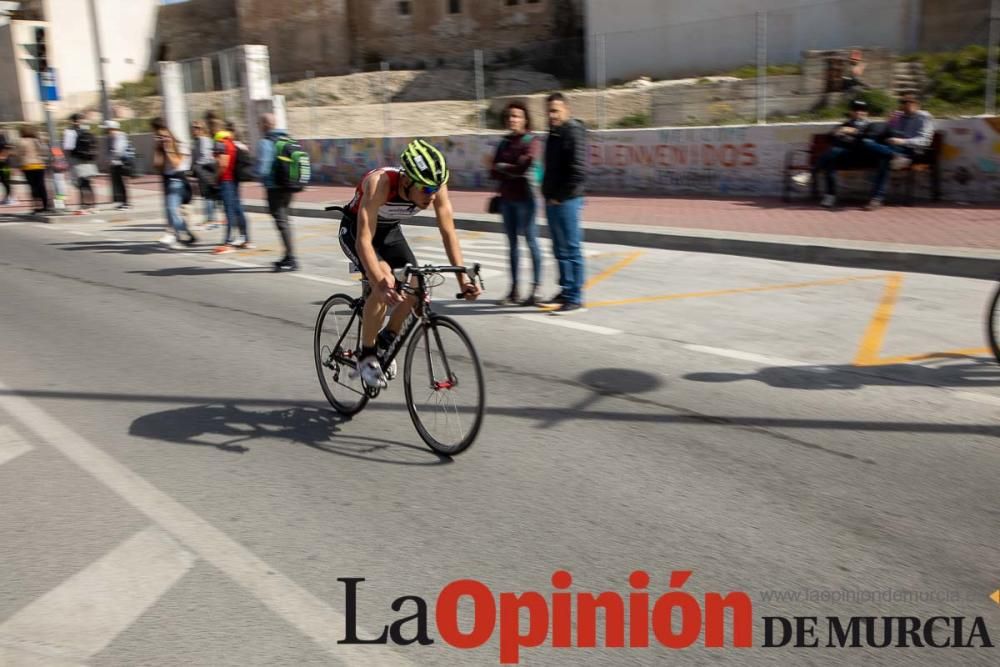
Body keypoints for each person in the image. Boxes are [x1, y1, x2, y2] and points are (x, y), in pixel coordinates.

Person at [338, 139, 481, 388]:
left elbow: (448, 232)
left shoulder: (434, 187)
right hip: (356, 232)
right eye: (426, 190)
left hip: (390, 232)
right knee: (386, 280)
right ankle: (368, 356)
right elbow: (363, 242)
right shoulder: (380, 184)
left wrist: (463, 279)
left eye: (435, 188)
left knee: (418, 284)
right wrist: (380, 282)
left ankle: (385, 340)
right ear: (406, 181)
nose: (432, 195)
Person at [490, 101, 543, 306]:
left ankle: (536, 289)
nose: (513, 120)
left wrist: (503, 167)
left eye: (517, 116)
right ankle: (514, 291)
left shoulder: (532, 140)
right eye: (510, 116)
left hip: (526, 201)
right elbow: (493, 171)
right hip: (506, 201)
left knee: (531, 242)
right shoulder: (504, 143)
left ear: (525, 119)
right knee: (512, 246)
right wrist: (506, 168)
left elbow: (524, 166)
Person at [541, 93, 588, 315]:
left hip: (567, 200)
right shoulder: (554, 133)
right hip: (552, 200)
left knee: (572, 248)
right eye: (549, 111)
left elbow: (578, 171)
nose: (552, 115)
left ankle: (576, 298)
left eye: (556, 111)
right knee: (559, 249)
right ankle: (566, 290)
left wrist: (559, 196)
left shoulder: (573, 131)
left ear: (566, 110)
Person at [859, 93, 935, 210]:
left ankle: (876, 199)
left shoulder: (924, 117)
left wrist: (903, 141)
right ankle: (894, 155)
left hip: (913, 151)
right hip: (895, 149)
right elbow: (889, 132)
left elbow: (925, 141)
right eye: (903, 103)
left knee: (883, 160)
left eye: (908, 103)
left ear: (917, 105)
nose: (905, 106)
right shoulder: (899, 116)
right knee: (868, 143)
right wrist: (890, 121)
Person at [809, 99, 872, 208]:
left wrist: (853, 132)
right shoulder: (846, 124)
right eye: (855, 110)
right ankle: (830, 195)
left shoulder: (869, 126)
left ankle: (812, 173)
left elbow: (868, 138)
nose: (858, 112)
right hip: (843, 157)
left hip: (860, 157)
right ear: (851, 112)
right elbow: (829, 138)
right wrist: (837, 133)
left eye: (861, 110)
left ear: (866, 113)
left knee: (833, 153)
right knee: (831, 161)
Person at [256, 113, 298, 271]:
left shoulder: (266, 142)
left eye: (260, 124)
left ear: (266, 125)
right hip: (288, 186)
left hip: (275, 188)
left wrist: (255, 174)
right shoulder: (286, 138)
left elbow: (263, 168)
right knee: (285, 221)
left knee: (282, 223)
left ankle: (292, 259)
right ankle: (288, 255)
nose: (259, 127)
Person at [151, 117, 196, 247]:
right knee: (170, 212)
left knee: (172, 210)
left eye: (164, 136)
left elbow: (176, 164)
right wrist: (158, 148)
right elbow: (156, 165)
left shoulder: (182, 146)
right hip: (168, 179)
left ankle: (183, 236)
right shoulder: (162, 147)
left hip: (178, 180)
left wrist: (169, 148)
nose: (162, 138)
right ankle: (184, 235)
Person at [212, 122, 251, 253]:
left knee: (229, 212)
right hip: (235, 181)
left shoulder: (221, 143)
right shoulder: (235, 143)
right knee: (238, 210)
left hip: (226, 181)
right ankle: (246, 239)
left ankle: (228, 243)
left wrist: (215, 178)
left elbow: (223, 164)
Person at [63, 113, 97, 211]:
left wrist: (67, 160)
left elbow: (68, 148)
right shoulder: (86, 130)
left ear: (73, 121)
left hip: (77, 159)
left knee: (80, 183)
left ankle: (84, 204)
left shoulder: (70, 132)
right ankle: (92, 204)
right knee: (88, 182)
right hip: (88, 159)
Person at [191, 120, 220, 227]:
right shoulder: (197, 141)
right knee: (207, 195)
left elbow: (205, 156)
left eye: (197, 128)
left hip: (206, 170)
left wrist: (196, 166)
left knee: (208, 195)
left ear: (202, 129)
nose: (194, 130)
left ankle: (211, 219)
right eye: (193, 127)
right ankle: (210, 218)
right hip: (202, 171)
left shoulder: (204, 140)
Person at [16, 125, 49, 213]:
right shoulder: (37, 141)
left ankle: (36, 206)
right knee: (41, 186)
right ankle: (45, 205)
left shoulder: (21, 141)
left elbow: (19, 154)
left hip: (28, 166)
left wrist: (19, 165)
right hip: (39, 165)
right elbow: (44, 151)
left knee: (32, 187)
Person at [104, 120, 130, 210]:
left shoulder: (120, 136)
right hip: (115, 164)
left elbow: (118, 151)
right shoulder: (111, 138)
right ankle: (122, 202)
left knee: (122, 183)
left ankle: (126, 203)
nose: (107, 132)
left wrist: (110, 159)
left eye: (108, 130)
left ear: (113, 129)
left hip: (121, 164)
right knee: (118, 184)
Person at [0, 133, 14, 205]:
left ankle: (9, 198)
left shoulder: (2, 140)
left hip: (4, 164)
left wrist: (3, 156)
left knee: (5, 180)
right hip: (3, 163)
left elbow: (7, 150)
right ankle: (8, 197)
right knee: (4, 181)